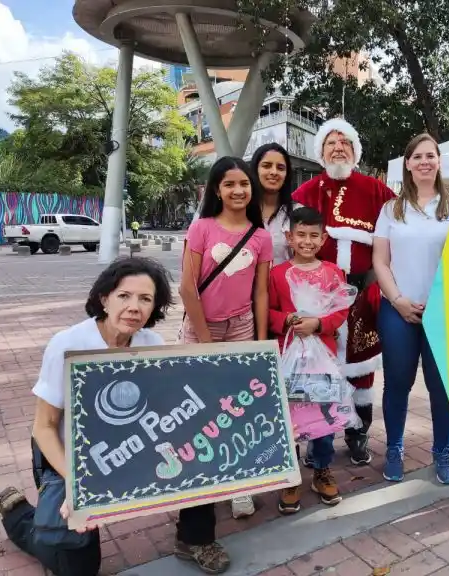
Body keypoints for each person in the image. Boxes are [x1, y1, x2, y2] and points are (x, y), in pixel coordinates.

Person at [0, 257, 173, 576]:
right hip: (64, 455)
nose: (135, 307)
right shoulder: (68, 344)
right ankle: (18, 517)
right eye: (124, 296)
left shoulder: (152, 344)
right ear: (104, 299)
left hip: (116, 451)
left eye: (145, 298)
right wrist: (78, 483)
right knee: (79, 568)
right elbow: (44, 427)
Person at [178, 157, 272, 539]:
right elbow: (187, 288)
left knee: (238, 411)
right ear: (216, 189)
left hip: (242, 328)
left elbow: (261, 291)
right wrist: (204, 342)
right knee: (197, 411)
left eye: (244, 184)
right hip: (202, 329)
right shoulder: (201, 228)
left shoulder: (261, 237)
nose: (238, 190)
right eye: (229, 184)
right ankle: (197, 485)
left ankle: (239, 488)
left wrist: (262, 341)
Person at [293, 118, 394, 466]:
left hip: (364, 295)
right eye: (331, 142)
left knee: (362, 368)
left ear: (355, 151)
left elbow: (402, 229)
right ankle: (316, 436)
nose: (338, 147)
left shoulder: (377, 190)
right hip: (317, 299)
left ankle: (357, 434)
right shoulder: (304, 194)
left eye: (345, 142)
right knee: (316, 366)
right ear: (320, 152)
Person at [372, 133, 449, 485]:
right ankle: (394, 449)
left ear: (439, 162)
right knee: (396, 383)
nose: (424, 162)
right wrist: (397, 300)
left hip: (443, 312)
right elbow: (380, 260)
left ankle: (442, 451)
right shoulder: (390, 209)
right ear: (407, 164)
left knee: (441, 387)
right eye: (417, 157)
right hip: (398, 309)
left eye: (430, 156)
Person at [268, 206, 349, 513]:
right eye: (300, 234)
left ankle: (322, 469)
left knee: (323, 417)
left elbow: (341, 310)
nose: (307, 241)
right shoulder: (277, 275)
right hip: (288, 356)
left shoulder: (332, 272)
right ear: (289, 237)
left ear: (324, 238)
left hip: (322, 358)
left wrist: (320, 324)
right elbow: (268, 311)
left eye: (314, 235)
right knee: (291, 418)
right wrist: (287, 319)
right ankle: (291, 477)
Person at [251, 143, 301, 266]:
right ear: (255, 169)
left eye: (280, 168)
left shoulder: (298, 213)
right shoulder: (240, 211)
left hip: (284, 283)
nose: (274, 172)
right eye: (266, 166)